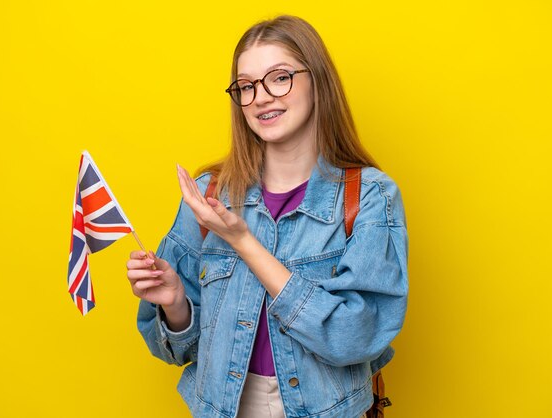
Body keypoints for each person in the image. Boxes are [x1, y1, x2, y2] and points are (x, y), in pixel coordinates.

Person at [126, 15, 408, 418]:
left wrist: (244, 242)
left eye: (279, 78)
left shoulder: (370, 196)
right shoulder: (211, 194)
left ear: (318, 81)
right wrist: (174, 304)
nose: (260, 97)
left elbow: (354, 338)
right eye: (245, 86)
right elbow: (176, 349)